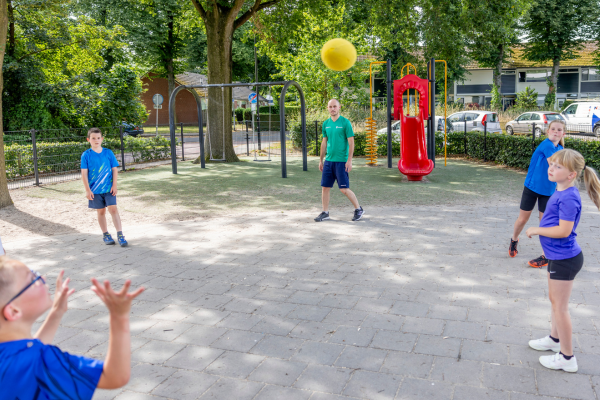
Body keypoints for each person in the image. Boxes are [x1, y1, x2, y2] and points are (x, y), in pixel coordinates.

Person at [0, 256, 145, 398]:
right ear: (13, 311)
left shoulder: (17, 355)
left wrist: (56, 313)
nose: (42, 278)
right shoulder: (44, 362)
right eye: (33, 279)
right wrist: (119, 316)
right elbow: (114, 376)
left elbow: (26, 352)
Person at [525, 149, 600, 372]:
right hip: (558, 258)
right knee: (555, 302)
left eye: (558, 167)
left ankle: (567, 358)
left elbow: (564, 231)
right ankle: (553, 340)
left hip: (565, 259)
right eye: (552, 164)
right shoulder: (561, 189)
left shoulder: (568, 197)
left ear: (570, 175)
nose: (551, 168)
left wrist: (537, 229)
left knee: (561, 308)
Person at [509, 119, 566, 267]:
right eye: (553, 129)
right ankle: (514, 240)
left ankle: (546, 256)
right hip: (531, 188)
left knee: (545, 224)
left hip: (548, 192)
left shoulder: (560, 149)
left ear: (563, 133)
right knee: (522, 220)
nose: (556, 131)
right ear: (548, 131)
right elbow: (553, 165)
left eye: (559, 130)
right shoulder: (547, 145)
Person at [314, 99, 364, 222]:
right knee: (325, 187)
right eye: (330, 106)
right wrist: (321, 160)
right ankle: (325, 212)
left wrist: (349, 160)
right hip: (328, 161)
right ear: (327, 108)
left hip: (341, 161)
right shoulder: (326, 124)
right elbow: (324, 142)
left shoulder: (345, 123)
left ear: (339, 107)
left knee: (343, 189)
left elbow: (351, 142)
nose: (332, 109)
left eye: (334, 106)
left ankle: (358, 209)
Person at [81, 128, 128, 246]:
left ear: (102, 139)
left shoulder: (108, 153)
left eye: (98, 138)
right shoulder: (86, 155)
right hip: (95, 190)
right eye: (93, 138)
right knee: (101, 211)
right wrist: (87, 190)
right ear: (88, 140)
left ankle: (120, 234)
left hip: (109, 188)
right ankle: (106, 234)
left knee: (113, 209)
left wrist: (114, 185)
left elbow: (114, 169)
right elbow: (84, 173)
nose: (96, 140)